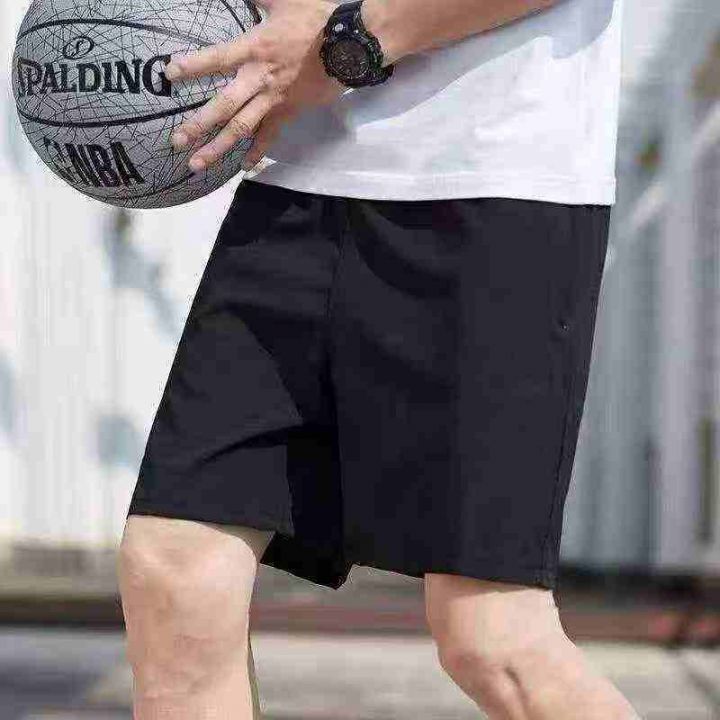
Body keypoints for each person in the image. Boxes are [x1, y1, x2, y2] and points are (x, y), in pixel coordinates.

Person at [117, 0, 641, 717]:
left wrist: (347, 43)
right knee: (175, 570)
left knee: (493, 634)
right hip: (297, 173)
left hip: (495, 183)